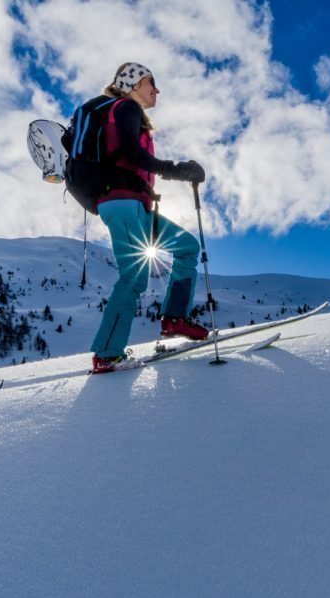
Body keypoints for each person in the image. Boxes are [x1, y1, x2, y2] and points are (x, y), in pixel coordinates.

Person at [90, 62, 209, 374]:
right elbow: (131, 154)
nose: (156, 89)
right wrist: (177, 170)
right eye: (150, 82)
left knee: (186, 247)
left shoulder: (126, 113)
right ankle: (107, 353)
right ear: (131, 84)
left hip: (135, 205)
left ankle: (174, 318)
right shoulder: (125, 107)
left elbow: (130, 155)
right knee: (134, 276)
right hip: (122, 202)